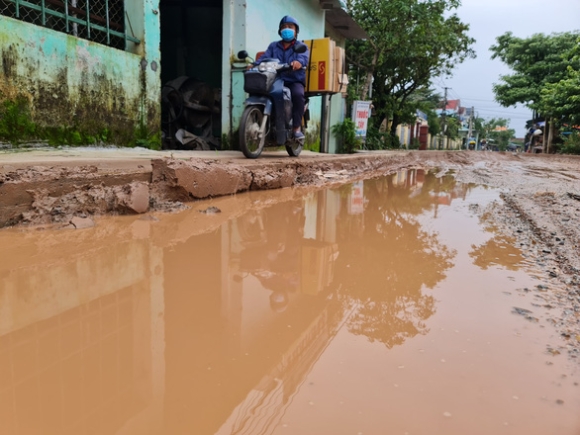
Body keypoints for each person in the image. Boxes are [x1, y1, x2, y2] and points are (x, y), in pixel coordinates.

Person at [255, 16, 310, 140]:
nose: (287, 29)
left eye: (290, 27)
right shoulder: (274, 46)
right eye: (284, 27)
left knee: (297, 95)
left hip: (294, 80)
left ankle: (296, 128)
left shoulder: (301, 46)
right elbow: (264, 57)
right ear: (280, 31)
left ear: (296, 31)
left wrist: (298, 62)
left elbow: (303, 58)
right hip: (276, 79)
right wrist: (253, 65)